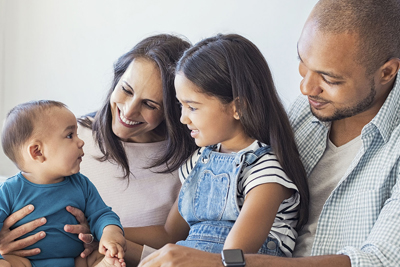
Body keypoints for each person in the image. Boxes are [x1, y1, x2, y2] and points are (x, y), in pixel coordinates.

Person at [137, 0, 400, 266]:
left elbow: (382, 260)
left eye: (329, 79)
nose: (306, 88)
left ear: (387, 72)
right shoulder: (304, 113)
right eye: (303, 63)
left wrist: (221, 262)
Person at [0, 34, 197, 265]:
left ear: (174, 110)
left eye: (150, 104)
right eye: (126, 89)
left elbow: (171, 236)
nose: (128, 111)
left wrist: (101, 235)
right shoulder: (67, 134)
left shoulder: (192, 160)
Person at [122, 33, 309, 263]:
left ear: (237, 107)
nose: (183, 118)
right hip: (186, 259)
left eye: (192, 107)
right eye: (181, 105)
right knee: (97, 250)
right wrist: (107, 232)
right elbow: (169, 235)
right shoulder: (198, 161)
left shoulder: (265, 172)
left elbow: (233, 258)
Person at [0, 100, 126, 267]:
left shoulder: (82, 185)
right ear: (38, 151)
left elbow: (102, 215)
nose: (81, 142)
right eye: (70, 135)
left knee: (99, 255)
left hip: (77, 260)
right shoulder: (9, 191)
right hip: (25, 262)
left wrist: (110, 234)